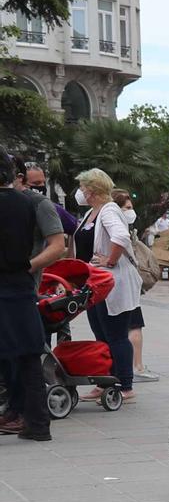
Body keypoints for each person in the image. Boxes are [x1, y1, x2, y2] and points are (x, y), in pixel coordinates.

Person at [0, 155, 66, 442]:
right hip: (21, 283)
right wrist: (28, 266)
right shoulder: (29, 204)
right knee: (29, 355)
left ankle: (20, 414)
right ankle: (38, 424)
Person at [77, 168, 138, 403]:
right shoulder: (92, 212)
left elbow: (121, 237)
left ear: (92, 190)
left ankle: (124, 384)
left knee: (116, 334)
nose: (80, 192)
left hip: (112, 282)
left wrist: (109, 260)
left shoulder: (109, 210)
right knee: (101, 334)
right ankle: (105, 381)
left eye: (82, 188)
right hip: (95, 283)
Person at [115, 191, 156, 382]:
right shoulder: (120, 228)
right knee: (134, 325)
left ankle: (125, 368)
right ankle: (136, 366)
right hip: (125, 283)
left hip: (116, 283)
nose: (131, 212)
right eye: (127, 208)